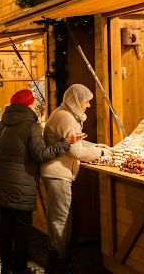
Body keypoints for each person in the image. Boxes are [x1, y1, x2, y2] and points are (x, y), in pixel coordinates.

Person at [0, 89, 80, 274]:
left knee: (5, 224)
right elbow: (41, 155)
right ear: (30, 104)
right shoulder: (30, 126)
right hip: (22, 182)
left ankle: (6, 266)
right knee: (22, 227)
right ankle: (20, 268)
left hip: (2, 181)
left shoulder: (2, 123)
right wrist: (65, 142)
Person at [41, 84, 112, 274]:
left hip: (56, 172)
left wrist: (94, 144)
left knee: (57, 218)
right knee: (62, 220)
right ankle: (61, 263)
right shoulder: (66, 117)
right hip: (58, 173)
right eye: (86, 101)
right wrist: (101, 152)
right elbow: (75, 151)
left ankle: (55, 260)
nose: (88, 105)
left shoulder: (64, 113)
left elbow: (75, 141)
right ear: (76, 101)